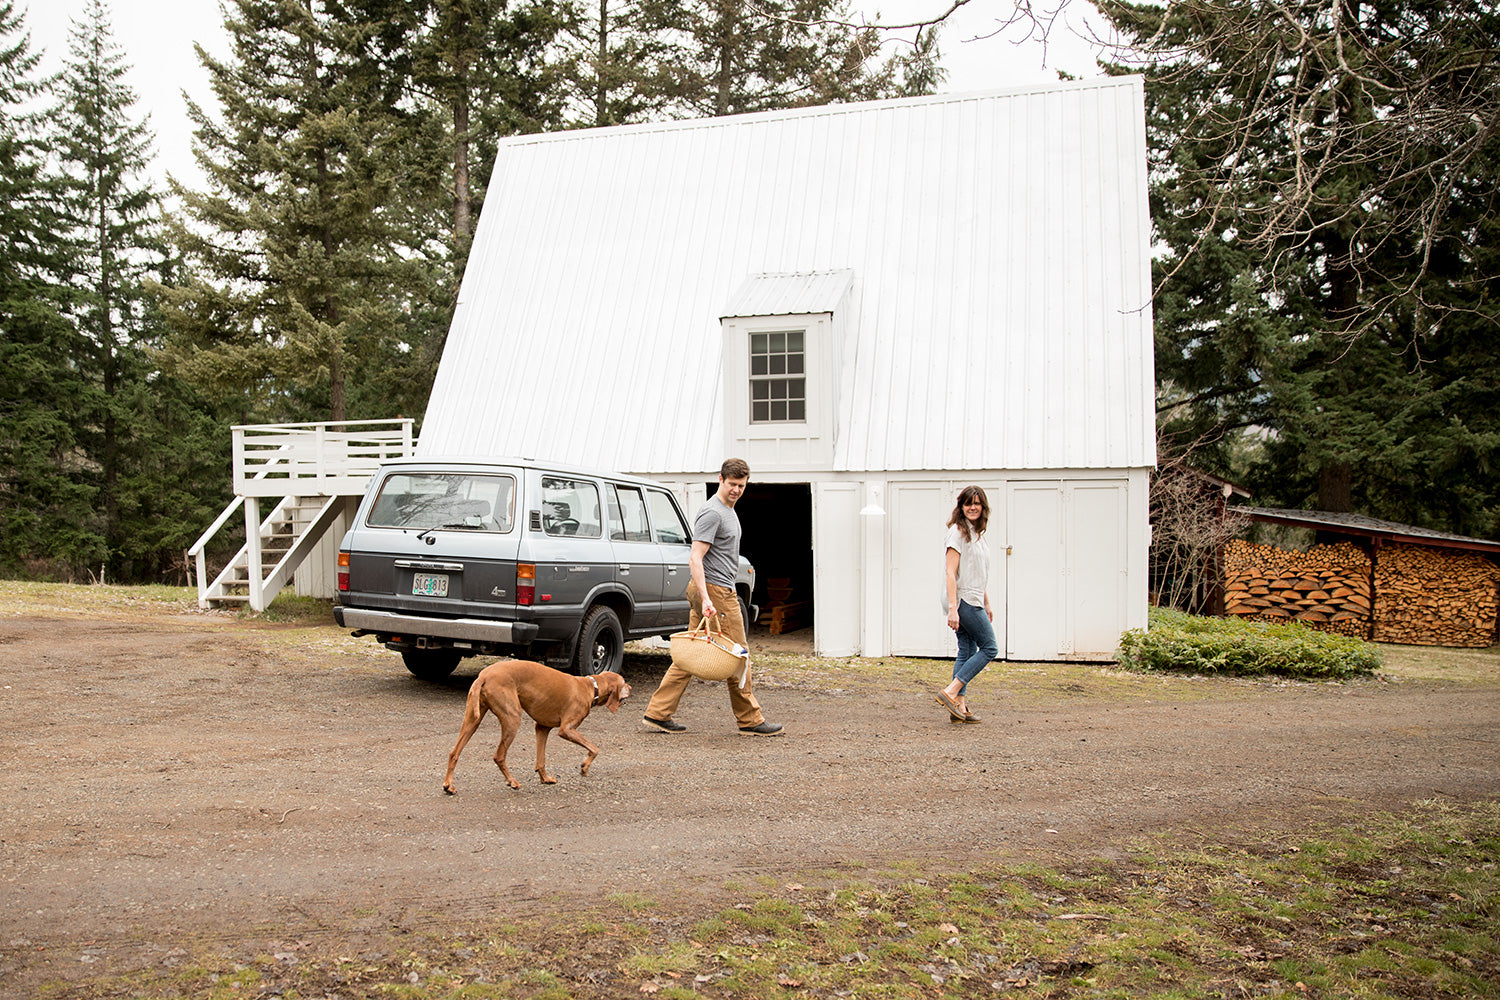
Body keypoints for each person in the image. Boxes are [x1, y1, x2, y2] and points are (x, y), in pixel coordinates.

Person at [643, 458, 783, 736]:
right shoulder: (713, 513)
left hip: (712, 589)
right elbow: (695, 557)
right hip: (716, 591)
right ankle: (750, 720)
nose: (736, 490)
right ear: (720, 479)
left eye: (741, 485)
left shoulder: (728, 510)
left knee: (691, 653)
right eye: (732, 484)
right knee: (739, 654)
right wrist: (707, 599)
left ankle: (658, 713)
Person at [937, 485, 996, 723]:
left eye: (977, 503)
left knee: (967, 650)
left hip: (973, 597)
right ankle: (951, 692)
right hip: (962, 600)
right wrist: (953, 608)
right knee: (990, 648)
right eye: (968, 503)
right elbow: (951, 573)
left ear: (983, 507)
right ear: (961, 507)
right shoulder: (957, 533)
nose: (973, 507)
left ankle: (958, 706)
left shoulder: (976, 534)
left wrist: (987, 602)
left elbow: (976, 574)